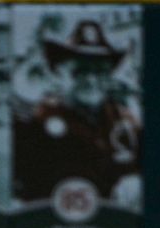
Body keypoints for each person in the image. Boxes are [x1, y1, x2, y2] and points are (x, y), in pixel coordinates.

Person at [13, 20, 142, 208]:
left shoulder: (126, 120)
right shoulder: (39, 119)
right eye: (80, 71)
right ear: (60, 74)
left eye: (101, 71)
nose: (91, 80)